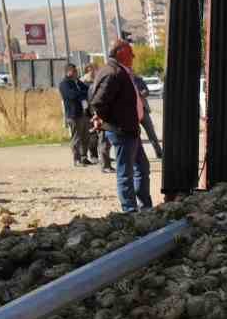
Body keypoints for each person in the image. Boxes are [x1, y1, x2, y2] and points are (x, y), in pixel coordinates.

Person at [90, 39, 153, 213]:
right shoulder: (113, 73)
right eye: (130, 52)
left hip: (130, 129)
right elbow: (98, 102)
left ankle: (145, 206)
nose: (133, 55)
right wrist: (108, 121)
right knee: (126, 173)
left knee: (142, 168)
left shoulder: (120, 71)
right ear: (120, 52)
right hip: (122, 131)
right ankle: (130, 211)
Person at [59, 63, 92, 167]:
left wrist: (81, 93)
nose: (76, 73)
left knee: (85, 136)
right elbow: (71, 95)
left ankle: (84, 157)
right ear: (68, 72)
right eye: (74, 71)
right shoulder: (64, 84)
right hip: (74, 114)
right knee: (76, 137)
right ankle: (76, 159)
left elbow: (87, 90)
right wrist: (81, 94)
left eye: (76, 71)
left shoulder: (77, 82)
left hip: (84, 113)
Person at [131, 72, 163, 159]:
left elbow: (147, 91)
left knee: (151, 132)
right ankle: (137, 156)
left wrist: (141, 92)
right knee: (135, 134)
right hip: (132, 112)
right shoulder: (123, 80)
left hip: (143, 110)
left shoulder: (139, 79)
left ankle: (159, 152)